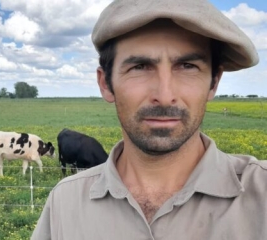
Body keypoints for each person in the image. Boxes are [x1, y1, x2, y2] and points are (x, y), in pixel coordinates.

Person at [31, 0, 267, 239]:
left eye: (187, 66)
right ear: (106, 84)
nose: (165, 97)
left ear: (214, 82)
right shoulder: (64, 202)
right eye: (140, 67)